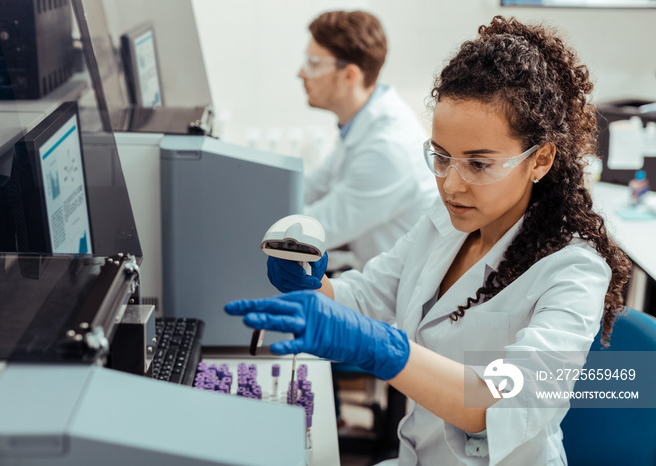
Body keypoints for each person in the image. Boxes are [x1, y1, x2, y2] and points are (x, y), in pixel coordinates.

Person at [226, 16, 632, 465]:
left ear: (540, 160)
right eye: (441, 157)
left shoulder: (574, 270)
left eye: (479, 165)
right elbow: (367, 296)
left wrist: (383, 350)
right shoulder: (446, 224)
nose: (451, 186)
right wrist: (313, 287)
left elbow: (502, 400)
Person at [298, 10, 437, 267]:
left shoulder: (387, 147)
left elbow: (315, 230)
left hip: (395, 299)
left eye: (313, 64)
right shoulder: (359, 124)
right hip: (373, 274)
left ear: (350, 75)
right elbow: (310, 188)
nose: (301, 73)